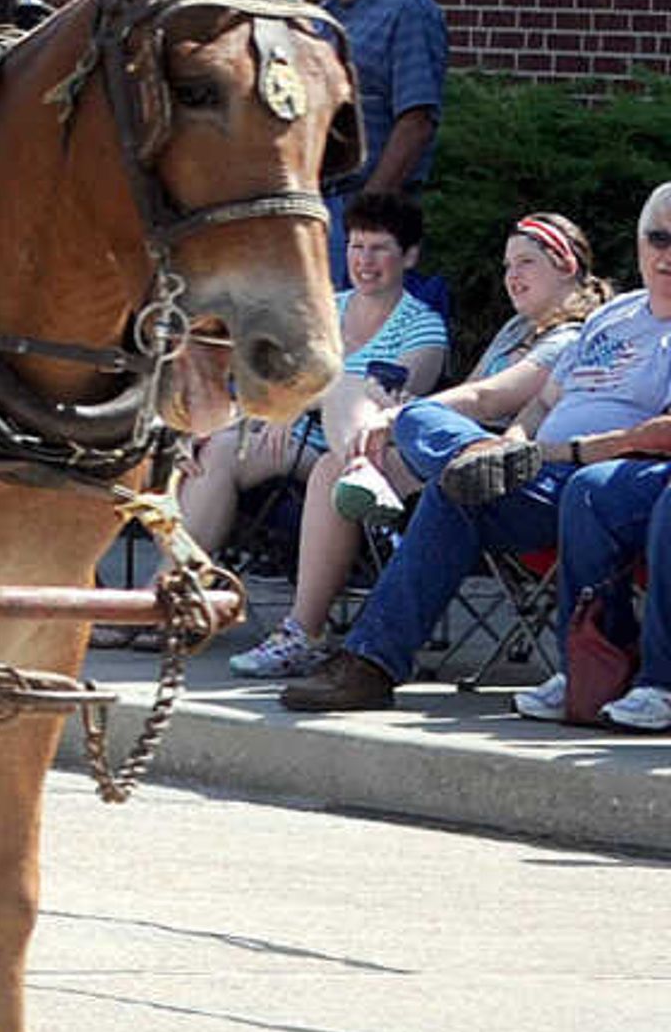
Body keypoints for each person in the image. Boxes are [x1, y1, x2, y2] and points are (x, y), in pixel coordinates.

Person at [283, 184, 671, 724]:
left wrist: (564, 451)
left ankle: (376, 657)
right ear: (638, 242)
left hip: (600, 479)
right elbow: (541, 404)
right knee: (434, 445)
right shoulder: (615, 317)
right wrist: (511, 445)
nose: (667, 253)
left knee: (473, 483)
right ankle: (370, 663)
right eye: (658, 237)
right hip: (533, 471)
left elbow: (658, 435)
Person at [179, 189, 447, 672]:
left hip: (358, 450)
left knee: (343, 385)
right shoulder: (322, 310)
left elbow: (397, 402)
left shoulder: (423, 328)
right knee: (217, 448)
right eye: (356, 247)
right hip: (288, 440)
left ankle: (359, 476)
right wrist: (282, 409)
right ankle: (170, 598)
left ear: (409, 256)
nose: (365, 261)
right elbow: (267, 382)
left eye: (380, 248)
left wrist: (303, 399)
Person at [310, 0, 446, 285]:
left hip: (363, 211)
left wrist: (367, 213)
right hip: (313, 204)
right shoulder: (318, 19)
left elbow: (416, 120)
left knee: (350, 341)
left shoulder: (408, 10)